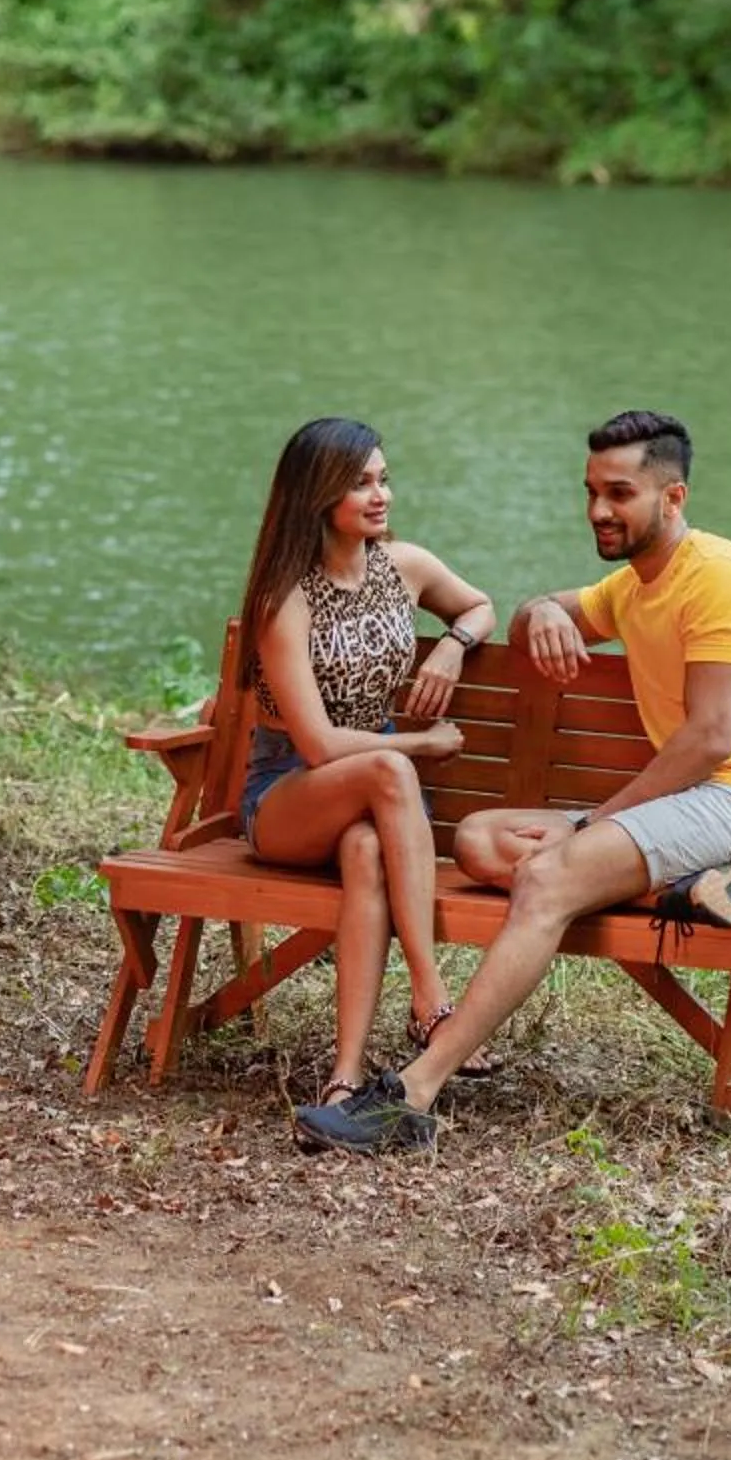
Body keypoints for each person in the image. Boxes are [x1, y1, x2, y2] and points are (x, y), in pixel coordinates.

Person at [295, 409, 731, 1156]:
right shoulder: (634, 587)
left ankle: (412, 1094)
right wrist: (541, 611)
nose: (599, 511)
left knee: (547, 879)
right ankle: (694, 885)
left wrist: (590, 825)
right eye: (590, 492)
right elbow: (529, 618)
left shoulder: (722, 579)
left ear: (672, 499)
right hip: (690, 817)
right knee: (482, 841)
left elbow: (711, 739)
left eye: (619, 494)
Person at [233, 418, 497, 1127]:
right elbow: (316, 746)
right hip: (287, 797)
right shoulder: (283, 598)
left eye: (383, 477)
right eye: (360, 482)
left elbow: (479, 605)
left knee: (364, 849)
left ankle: (344, 1077)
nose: (381, 495)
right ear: (317, 495)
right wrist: (419, 745)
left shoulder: (403, 567)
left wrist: (451, 649)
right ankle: (432, 1000)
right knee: (386, 767)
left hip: (369, 803)